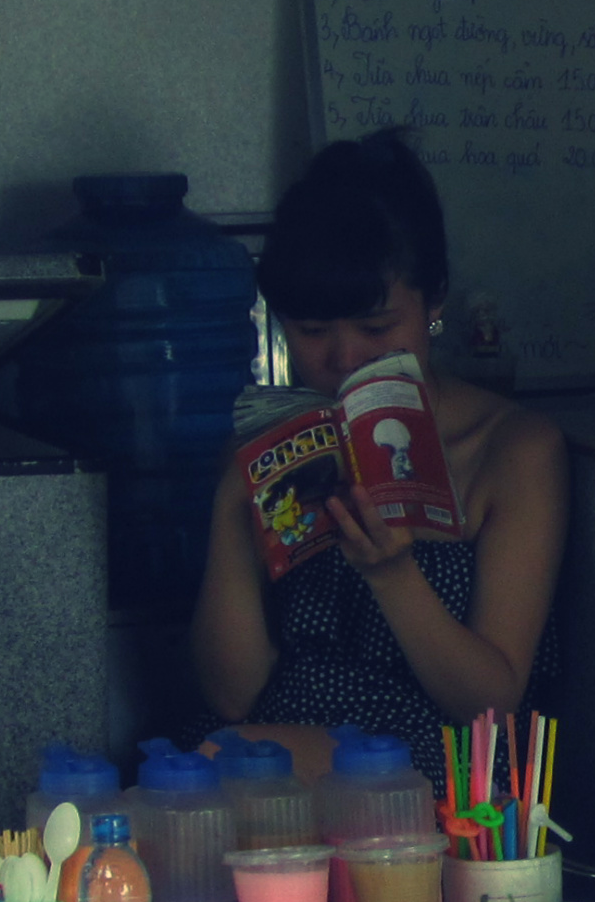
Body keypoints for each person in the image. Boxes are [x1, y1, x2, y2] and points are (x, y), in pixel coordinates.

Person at [194, 134, 565, 766]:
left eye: (375, 328)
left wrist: (393, 575)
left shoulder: (514, 451)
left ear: (434, 302)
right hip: (266, 756)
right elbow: (233, 696)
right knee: (209, 765)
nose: (342, 360)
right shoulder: (279, 445)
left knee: (222, 768)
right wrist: (235, 496)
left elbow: (492, 710)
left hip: (428, 774)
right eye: (311, 332)